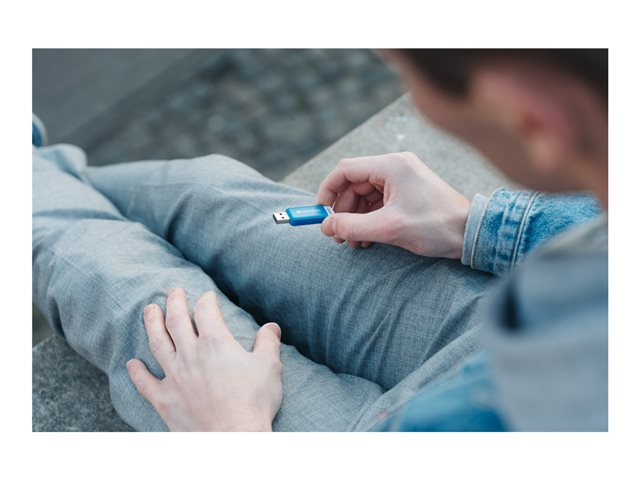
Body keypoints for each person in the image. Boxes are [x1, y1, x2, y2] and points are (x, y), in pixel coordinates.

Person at [32, 49, 607, 431]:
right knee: (209, 192)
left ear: (532, 120)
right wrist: (475, 225)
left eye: (407, 74)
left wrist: (232, 435)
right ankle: (43, 171)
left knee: (139, 298)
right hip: (506, 338)